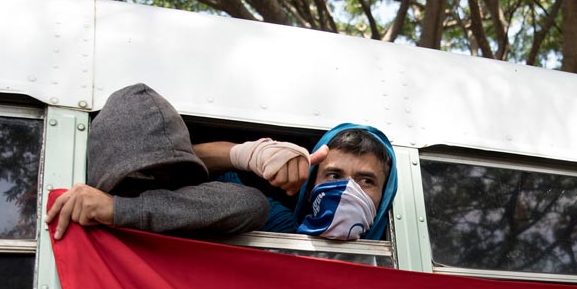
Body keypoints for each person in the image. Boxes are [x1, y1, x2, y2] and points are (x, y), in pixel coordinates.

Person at [47, 83, 397, 242]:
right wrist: (247, 155)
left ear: (386, 197)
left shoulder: (398, 258)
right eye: (333, 175)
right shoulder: (283, 229)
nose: (347, 189)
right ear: (312, 182)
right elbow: (235, 197)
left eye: (366, 181)